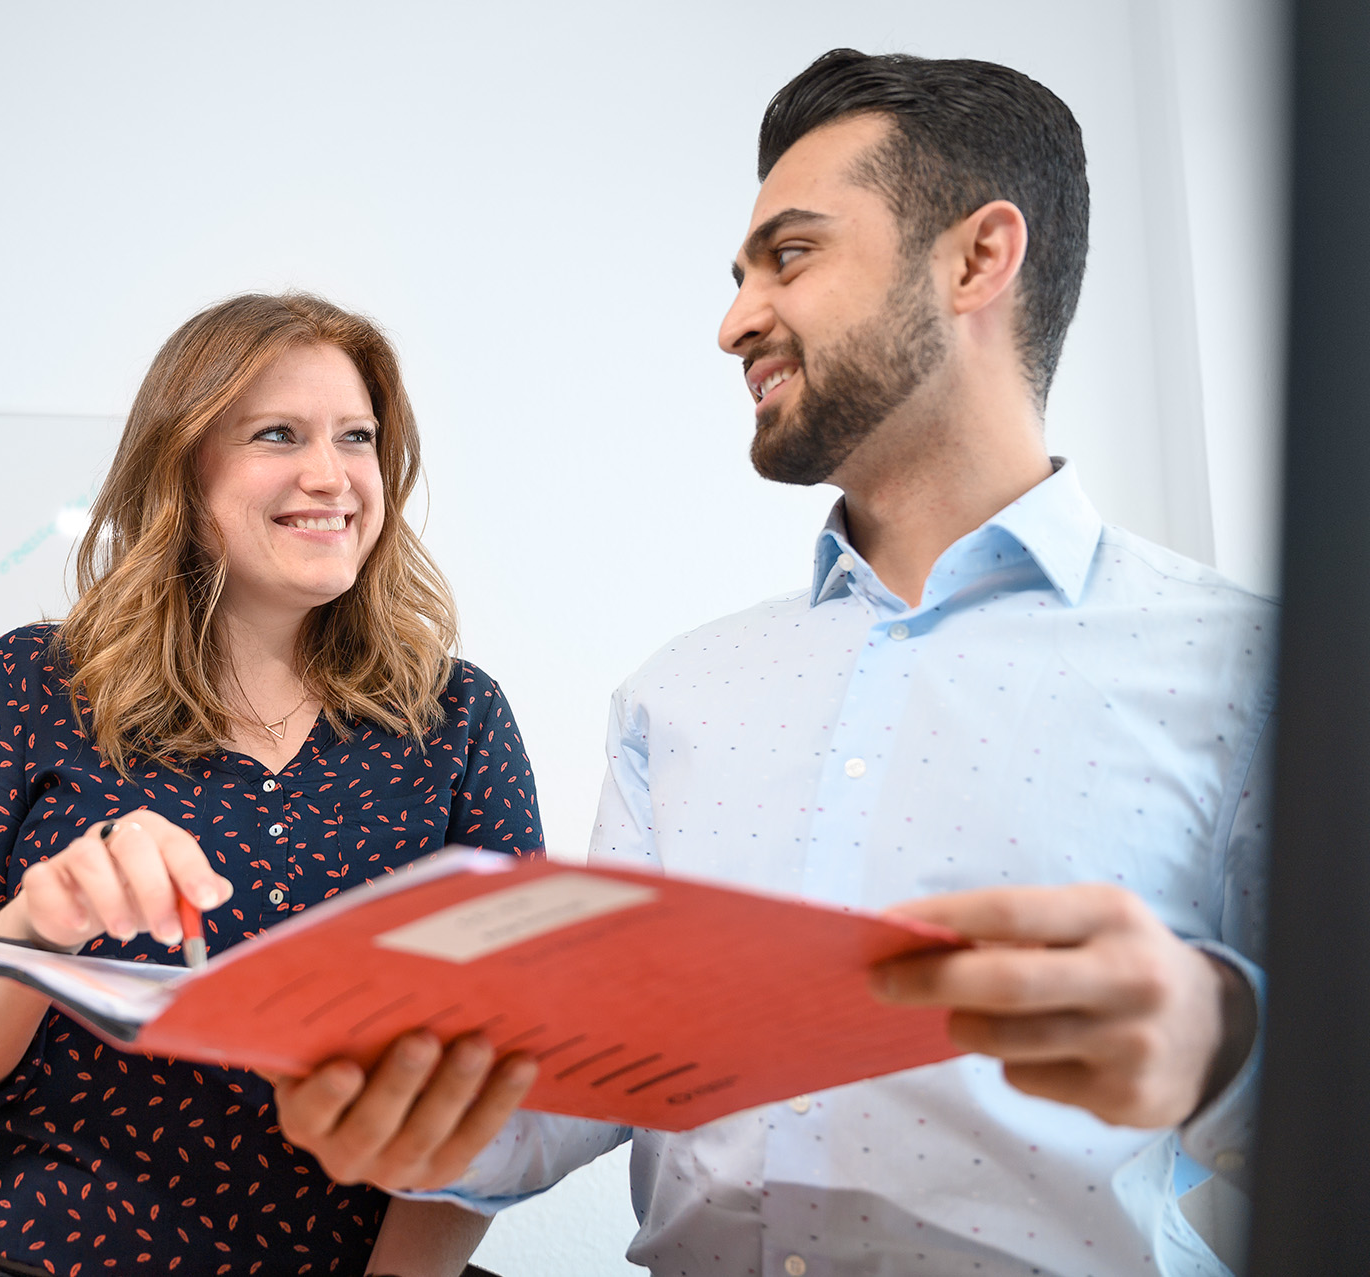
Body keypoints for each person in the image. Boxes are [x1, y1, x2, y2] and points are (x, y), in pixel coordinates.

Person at [263, 50, 1273, 1276]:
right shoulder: (682, 693)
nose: (735, 319)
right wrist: (405, 1109)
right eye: (742, 272)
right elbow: (580, 1077)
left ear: (978, 258)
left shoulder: (1247, 668)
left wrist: (1228, 1052)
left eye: (788, 256)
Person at [0, 292, 543, 1277]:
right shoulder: (31, 685)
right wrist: (38, 927)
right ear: (182, 466)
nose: (331, 474)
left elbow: (505, 1075)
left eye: (357, 437)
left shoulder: (457, 720)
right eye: (278, 434)